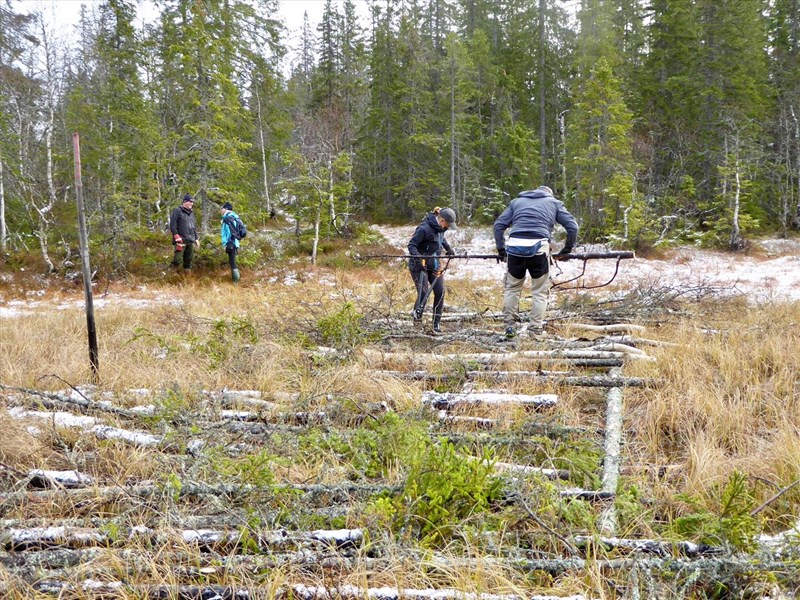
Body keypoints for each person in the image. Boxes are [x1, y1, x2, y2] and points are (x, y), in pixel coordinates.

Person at [493, 185, 578, 338]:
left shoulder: (516, 202)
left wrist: (501, 250)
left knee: (512, 289)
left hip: (514, 248)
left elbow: (499, 226)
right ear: (549, 194)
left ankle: (510, 328)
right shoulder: (554, 203)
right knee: (539, 292)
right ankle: (535, 330)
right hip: (539, 248)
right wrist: (566, 250)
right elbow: (572, 227)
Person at [408, 206, 457, 333]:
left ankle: (436, 325)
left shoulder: (441, 229)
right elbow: (411, 245)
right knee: (423, 293)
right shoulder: (424, 229)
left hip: (434, 265)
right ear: (442, 220)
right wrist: (419, 258)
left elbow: (441, 240)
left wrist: (449, 249)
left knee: (440, 292)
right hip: (419, 266)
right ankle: (417, 323)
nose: (448, 227)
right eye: (448, 224)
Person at [170, 193, 200, 272]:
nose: (192, 203)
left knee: (188, 262)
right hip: (181, 240)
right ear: (185, 202)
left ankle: (187, 280)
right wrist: (176, 236)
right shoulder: (177, 211)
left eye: (192, 202)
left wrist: (196, 238)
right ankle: (170, 277)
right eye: (190, 202)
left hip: (190, 240)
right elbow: (173, 224)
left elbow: (193, 227)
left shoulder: (192, 214)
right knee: (177, 260)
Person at [220, 202, 241, 282]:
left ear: (226, 209)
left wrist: (226, 243)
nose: (221, 210)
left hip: (231, 242)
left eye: (222, 209)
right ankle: (236, 280)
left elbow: (228, 232)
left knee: (232, 262)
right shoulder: (235, 217)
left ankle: (236, 281)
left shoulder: (227, 218)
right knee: (232, 261)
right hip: (235, 242)